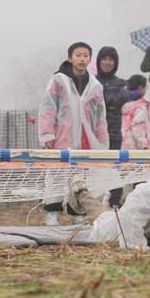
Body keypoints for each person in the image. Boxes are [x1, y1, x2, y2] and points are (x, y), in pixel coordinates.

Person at [38, 42, 109, 226]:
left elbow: (100, 116)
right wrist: (47, 134)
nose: (82, 59)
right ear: (70, 58)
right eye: (78, 55)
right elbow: (48, 108)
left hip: (86, 140)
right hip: (61, 138)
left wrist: (102, 140)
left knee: (80, 177)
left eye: (86, 55)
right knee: (56, 174)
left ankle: (77, 212)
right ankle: (52, 212)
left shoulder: (95, 86)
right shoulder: (58, 81)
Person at [96, 46, 135, 208]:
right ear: (98, 61)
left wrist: (104, 102)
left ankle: (115, 202)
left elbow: (120, 99)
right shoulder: (91, 81)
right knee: (91, 166)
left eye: (110, 59)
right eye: (104, 59)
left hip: (113, 131)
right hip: (94, 133)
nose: (107, 62)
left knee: (115, 166)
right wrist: (108, 103)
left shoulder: (121, 83)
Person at [121, 75, 150, 150]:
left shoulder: (124, 104)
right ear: (141, 88)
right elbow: (138, 128)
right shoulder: (140, 107)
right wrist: (144, 146)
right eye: (146, 87)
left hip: (126, 146)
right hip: (137, 151)